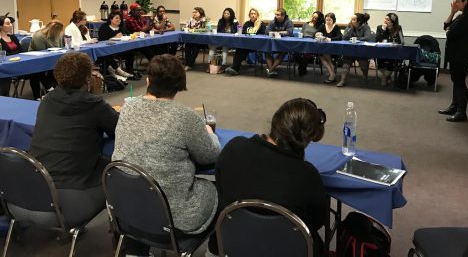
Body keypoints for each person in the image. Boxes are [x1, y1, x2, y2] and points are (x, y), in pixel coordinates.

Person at [113, 54, 220, 256]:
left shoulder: (128, 108)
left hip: (128, 209)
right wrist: (210, 134)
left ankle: (135, 251)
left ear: (148, 80)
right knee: (221, 192)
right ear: (180, 85)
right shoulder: (186, 117)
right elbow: (210, 155)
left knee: (140, 182)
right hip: (173, 218)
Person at [209, 98, 328, 257]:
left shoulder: (234, 148)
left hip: (230, 246)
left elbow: (221, 189)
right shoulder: (307, 175)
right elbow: (316, 221)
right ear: (307, 139)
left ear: (276, 120)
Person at [28, 52, 119, 227]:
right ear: (88, 77)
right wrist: (96, 95)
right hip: (70, 193)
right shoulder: (93, 104)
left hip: (32, 189)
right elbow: (117, 128)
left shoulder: (47, 100)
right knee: (118, 171)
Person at [439, 0, 468, 122]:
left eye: (458, 0)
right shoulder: (463, 15)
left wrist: (449, 31)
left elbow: (449, 34)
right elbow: (446, 26)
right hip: (458, 54)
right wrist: (452, 12)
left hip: (462, 55)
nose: (456, 2)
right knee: (456, 80)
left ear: (465, 2)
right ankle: (454, 107)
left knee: (460, 82)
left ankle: (461, 113)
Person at [28, 19, 65, 99]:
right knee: (35, 72)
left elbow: (61, 47)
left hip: (52, 58)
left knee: (58, 66)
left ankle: (51, 89)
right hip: (36, 60)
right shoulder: (39, 36)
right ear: (53, 30)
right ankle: (47, 89)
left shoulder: (58, 35)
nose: (60, 33)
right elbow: (41, 52)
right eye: (58, 31)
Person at [225, 8, 266, 76]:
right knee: (239, 48)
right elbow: (243, 33)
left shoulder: (261, 24)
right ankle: (235, 69)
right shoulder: (247, 23)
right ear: (249, 15)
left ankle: (235, 68)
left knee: (242, 49)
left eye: (254, 14)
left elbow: (264, 34)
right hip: (247, 44)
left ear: (257, 15)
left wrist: (256, 28)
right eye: (251, 14)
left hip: (258, 45)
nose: (253, 15)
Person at [337, 12, 374, 87]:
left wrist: (356, 39)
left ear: (359, 21)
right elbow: (344, 37)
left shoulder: (365, 27)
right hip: (350, 50)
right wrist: (350, 29)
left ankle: (365, 76)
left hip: (361, 50)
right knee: (346, 64)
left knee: (363, 64)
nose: (351, 21)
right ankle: (343, 80)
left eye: (353, 19)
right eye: (351, 19)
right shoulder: (350, 26)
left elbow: (368, 38)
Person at [97, 12, 134, 80]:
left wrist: (133, 35)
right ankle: (118, 70)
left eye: (120, 18)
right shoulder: (104, 27)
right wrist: (114, 37)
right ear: (111, 19)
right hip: (109, 50)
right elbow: (101, 41)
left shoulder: (121, 27)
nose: (119, 20)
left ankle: (129, 70)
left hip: (121, 49)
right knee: (108, 53)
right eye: (116, 18)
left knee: (131, 51)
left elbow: (129, 34)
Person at [375, 12, 404, 86]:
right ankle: (388, 76)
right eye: (385, 19)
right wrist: (383, 30)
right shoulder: (380, 27)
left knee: (392, 63)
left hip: (393, 52)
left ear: (393, 22)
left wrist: (392, 41)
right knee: (381, 64)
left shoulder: (398, 28)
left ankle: (384, 77)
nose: (385, 21)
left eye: (387, 20)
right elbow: (377, 39)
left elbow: (401, 41)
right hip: (382, 51)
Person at [206, 8, 238, 73]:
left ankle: (223, 66)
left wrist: (235, 23)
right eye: (224, 13)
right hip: (220, 40)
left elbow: (236, 32)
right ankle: (209, 65)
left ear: (231, 14)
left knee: (225, 49)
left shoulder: (235, 21)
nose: (226, 14)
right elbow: (219, 32)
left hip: (229, 41)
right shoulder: (221, 21)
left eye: (228, 13)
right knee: (212, 48)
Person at [264, 8, 294, 77]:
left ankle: (270, 69)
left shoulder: (288, 22)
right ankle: (272, 70)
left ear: (283, 16)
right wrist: (278, 33)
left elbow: (289, 32)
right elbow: (266, 31)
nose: (276, 16)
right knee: (266, 50)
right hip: (273, 43)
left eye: (278, 15)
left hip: (284, 44)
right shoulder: (273, 21)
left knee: (283, 52)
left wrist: (278, 33)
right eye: (275, 14)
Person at [294, 11, 324, 77]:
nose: (313, 18)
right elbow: (301, 33)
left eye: (315, 18)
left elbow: (319, 36)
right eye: (313, 16)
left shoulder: (320, 26)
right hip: (303, 42)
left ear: (318, 19)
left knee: (306, 54)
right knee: (295, 53)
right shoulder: (305, 24)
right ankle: (302, 67)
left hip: (312, 44)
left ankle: (301, 69)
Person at [0, 15, 22, 96]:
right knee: (4, 79)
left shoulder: (13, 37)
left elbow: (21, 50)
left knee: (36, 70)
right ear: (1, 26)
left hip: (20, 63)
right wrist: (16, 54)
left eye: (11, 23)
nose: (11, 25)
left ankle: (39, 96)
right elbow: (4, 54)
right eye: (8, 23)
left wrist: (15, 54)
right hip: (8, 67)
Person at [318, 12, 343, 83]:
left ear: (333, 20)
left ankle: (332, 75)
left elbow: (340, 37)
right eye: (326, 20)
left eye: (329, 20)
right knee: (321, 55)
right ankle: (332, 74)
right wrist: (318, 34)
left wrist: (330, 39)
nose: (328, 22)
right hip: (323, 48)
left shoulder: (336, 27)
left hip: (333, 49)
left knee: (324, 54)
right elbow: (316, 33)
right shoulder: (323, 26)